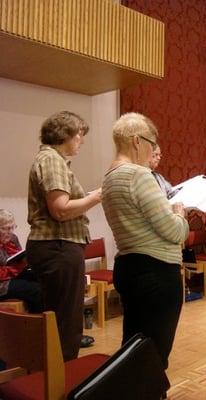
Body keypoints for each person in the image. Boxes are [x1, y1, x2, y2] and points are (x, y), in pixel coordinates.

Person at [101, 112, 189, 369]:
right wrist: (180, 215)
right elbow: (174, 232)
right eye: (151, 144)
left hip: (129, 267)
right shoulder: (139, 175)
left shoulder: (109, 177)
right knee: (154, 353)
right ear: (137, 141)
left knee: (134, 347)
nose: (152, 151)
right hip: (156, 272)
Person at [26, 111, 102, 361]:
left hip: (56, 246)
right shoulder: (52, 160)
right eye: (79, 135)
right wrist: (96, 196)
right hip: (58, 246)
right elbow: (60, 209)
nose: (81, 140)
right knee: (66, 321)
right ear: (66, 134)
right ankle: (62, 382)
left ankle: (52, 377)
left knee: (60, 317)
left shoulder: (51, 159)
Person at [0, 210, 42, 313]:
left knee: (42, 277)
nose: (10, 232)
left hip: (15, 275)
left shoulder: (13, 238)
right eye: (5, 228)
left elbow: (19, 256)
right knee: (36, 290)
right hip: (2, 284)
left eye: (12, 227)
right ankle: (37, 323)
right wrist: (14, 268)